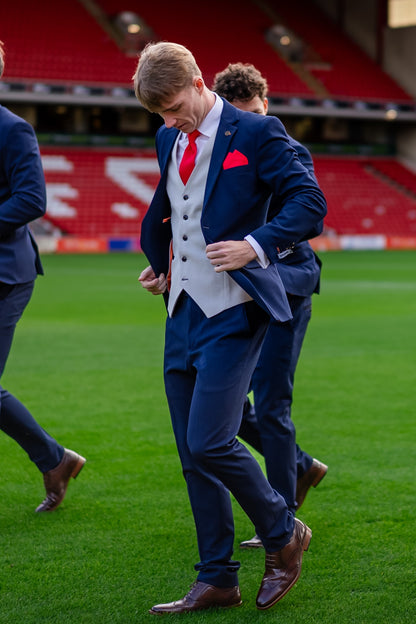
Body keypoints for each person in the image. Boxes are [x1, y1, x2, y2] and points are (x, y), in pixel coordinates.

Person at [133, 42, 327, 614]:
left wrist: (254, 245)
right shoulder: (169, 135)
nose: (169, 123)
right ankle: (217, 577)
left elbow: (309, 204)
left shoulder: (259, 134)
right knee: (192, 455)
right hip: (180, 309)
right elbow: (177, 208)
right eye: (160, 117)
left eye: (173, 107)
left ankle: (283, 531)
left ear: (197, 81)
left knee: (211, 440)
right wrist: (164, 261)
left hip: (235, 308)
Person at [213, 63, 328, 549]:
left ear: (266, 105)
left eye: (259, 114)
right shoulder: (217, 148)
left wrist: (255, 248)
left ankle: (282, 517)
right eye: (243, 119)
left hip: (285, 285)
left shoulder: (285, 147)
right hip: (233, 290)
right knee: (225, 407)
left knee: (272, 403)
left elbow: (304, 213)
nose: (256, 126)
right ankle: (301, 466)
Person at [0, 41, 85, 513]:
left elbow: (31, 201)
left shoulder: (13, 130)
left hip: (5, 275)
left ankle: (53, 460)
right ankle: (55, 459)